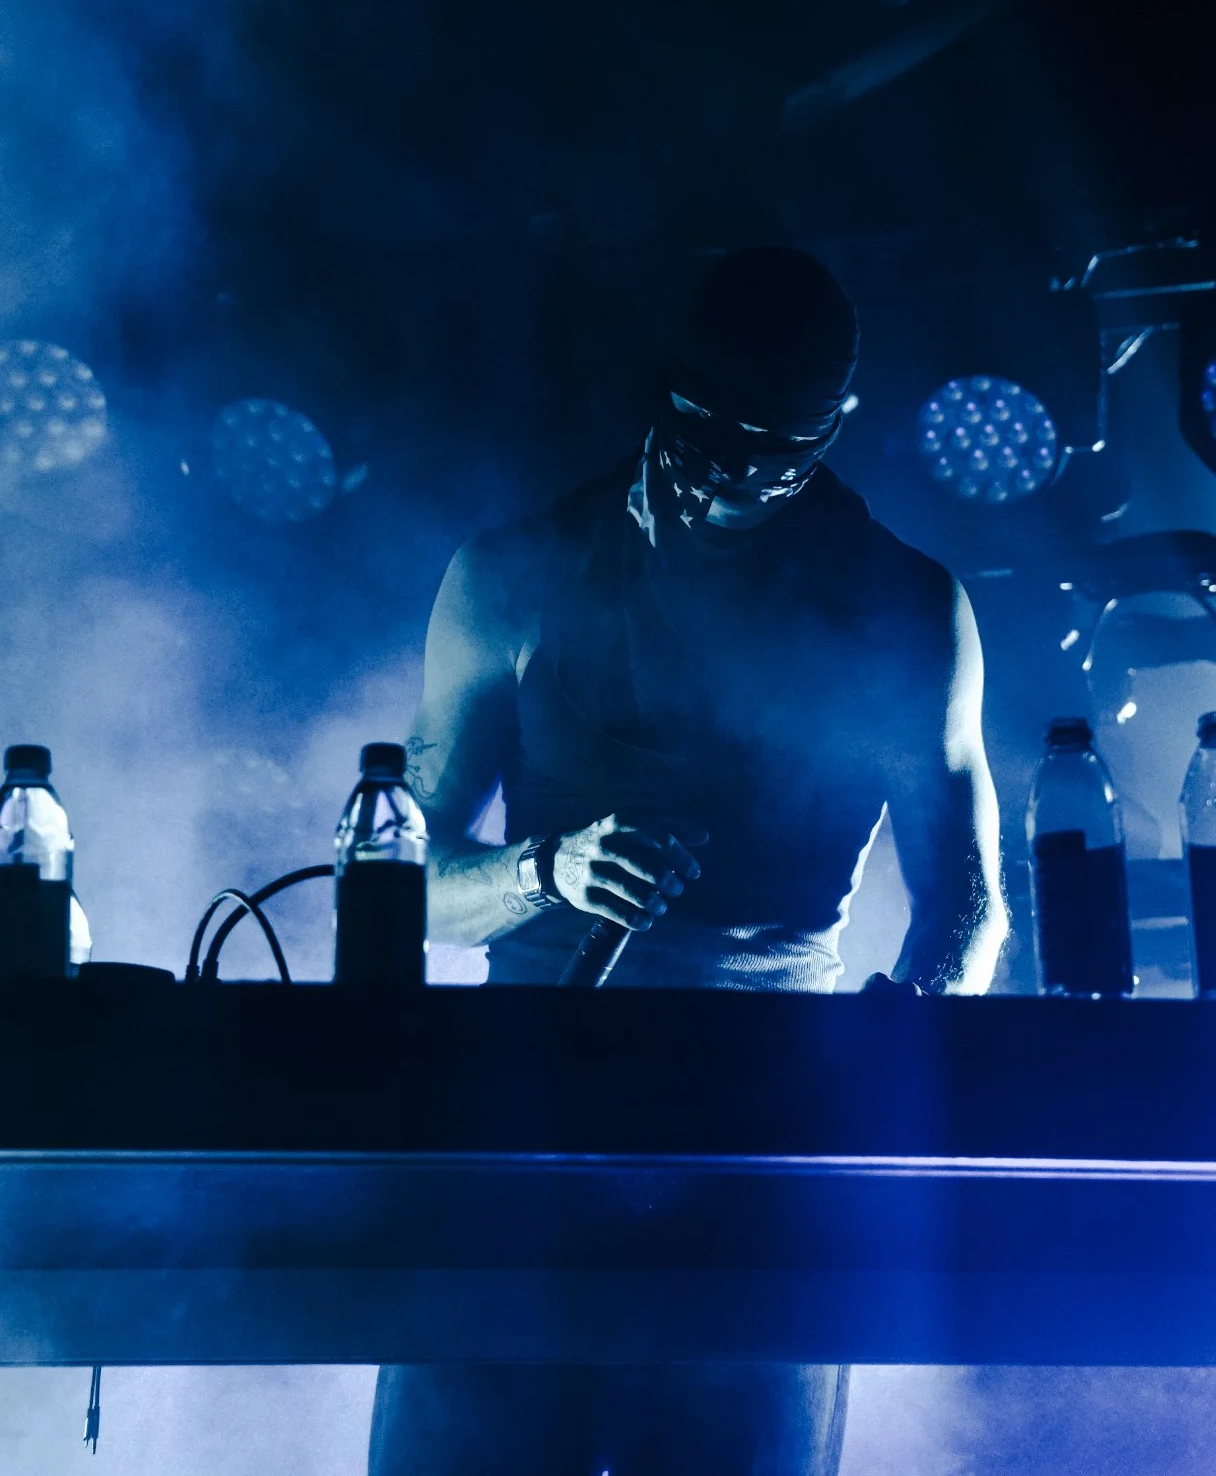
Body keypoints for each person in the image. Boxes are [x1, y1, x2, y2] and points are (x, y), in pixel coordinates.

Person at [370, 246, 1006, 1476]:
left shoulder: (902, 611)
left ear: (836, 423)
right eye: (711, 437)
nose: (736, 478)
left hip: (768, 1140)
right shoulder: (514, 575)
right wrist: (545, 872)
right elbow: (395, 894)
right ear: (662, 392)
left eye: (781, 448)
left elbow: (967, 907)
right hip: (528, 1122)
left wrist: (877, 1060)